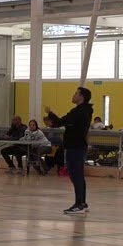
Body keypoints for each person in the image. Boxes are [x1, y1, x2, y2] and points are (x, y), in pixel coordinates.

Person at [45, 87, 93, 215]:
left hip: (75, 146)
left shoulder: (79, 112)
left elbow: (62, 121)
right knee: (79, 175)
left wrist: (51, 114)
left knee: (76, 175)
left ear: (81, 97)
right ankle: (82, 202)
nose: (73, 95)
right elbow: (65, 122)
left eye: (76, 93)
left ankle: (79, 204)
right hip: (77, 146)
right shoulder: (84, 111)